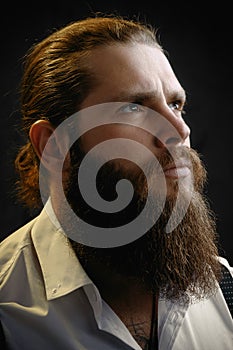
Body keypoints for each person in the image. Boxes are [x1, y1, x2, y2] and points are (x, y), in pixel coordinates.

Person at [0, 15, 232, 350]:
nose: (180, 131)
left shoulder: (224, 287)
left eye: (175, 104)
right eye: (133, 106)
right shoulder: (9, 308)